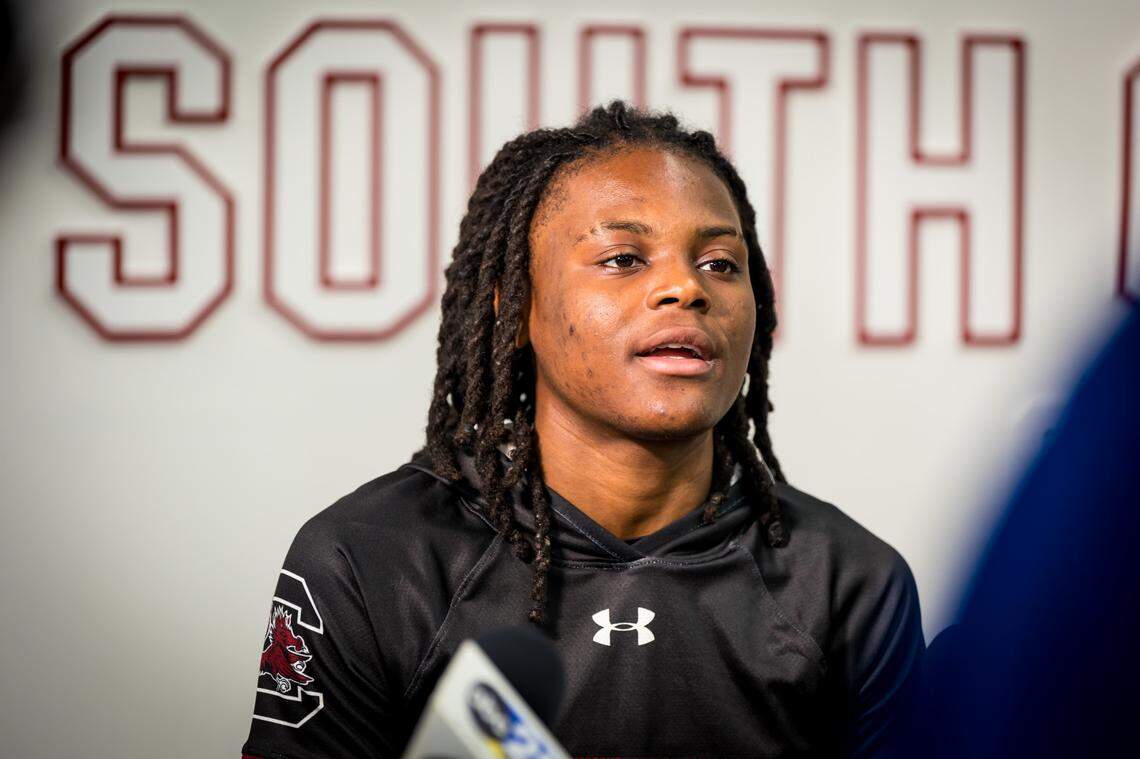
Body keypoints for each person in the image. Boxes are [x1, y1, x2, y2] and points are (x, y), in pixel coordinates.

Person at [241, 101, 925, 758]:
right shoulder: (373, 562)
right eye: (624, 258)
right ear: (517, 307)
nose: (686, 288)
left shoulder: (851, 584)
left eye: (720, 263)